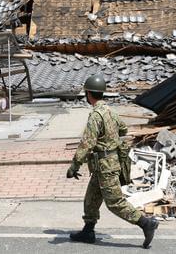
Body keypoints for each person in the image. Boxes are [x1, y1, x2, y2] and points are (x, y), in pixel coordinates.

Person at [67, 74, 158, 248]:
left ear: (89, 94)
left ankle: (146, 224)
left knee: (115, 202)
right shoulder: (109, 111)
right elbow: (123, 129)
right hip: (104, 165)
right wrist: (110, 140)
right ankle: (88, 230)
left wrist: (75, 165)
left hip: (106, 166)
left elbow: (87, 142)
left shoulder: (95, 115)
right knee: (91, 198)